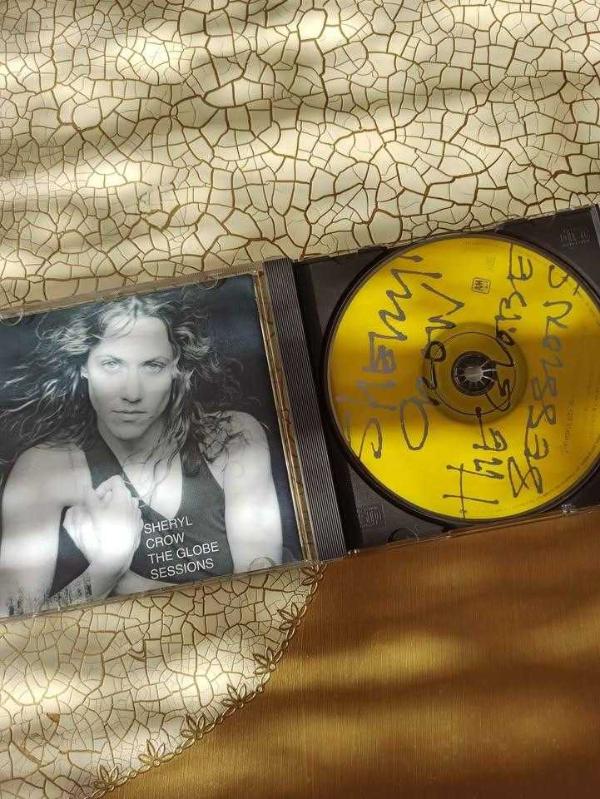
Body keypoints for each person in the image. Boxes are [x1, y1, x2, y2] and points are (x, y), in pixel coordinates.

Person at [0, 287, 284, 617]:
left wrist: (123, 579)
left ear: (178, 368)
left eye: (152, 366)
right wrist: (106, 567)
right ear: (83, 365)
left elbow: (263, 606)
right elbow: (17, 632)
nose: (131, 393)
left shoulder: (232, 439)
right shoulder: (44, 471)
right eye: (112, 364)